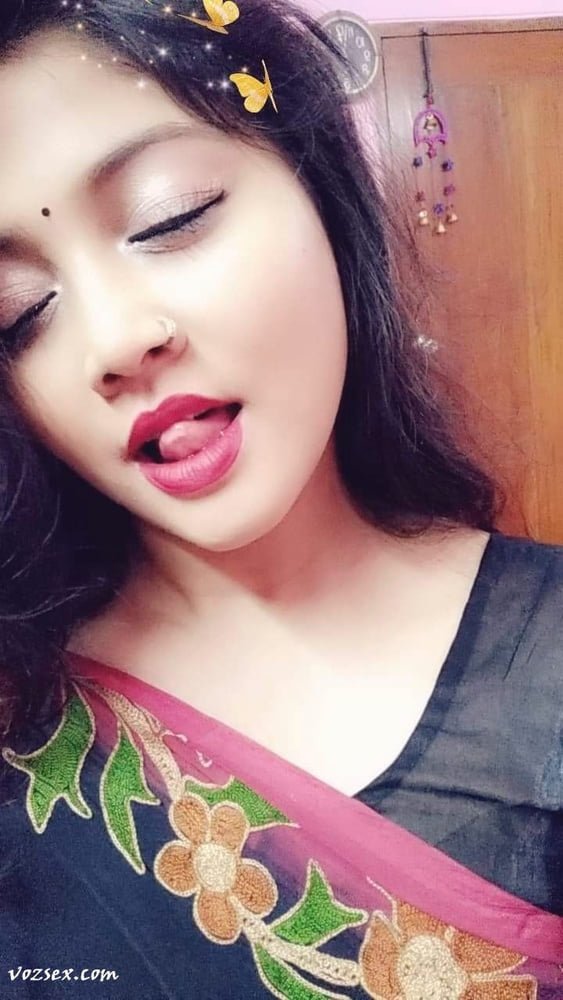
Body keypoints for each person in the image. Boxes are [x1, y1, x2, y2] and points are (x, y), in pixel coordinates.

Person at [0, 0, 561, 996]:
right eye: (19, 314)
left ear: (319, 191)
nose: (115, 341)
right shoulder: (23, 716)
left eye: (170, 216)